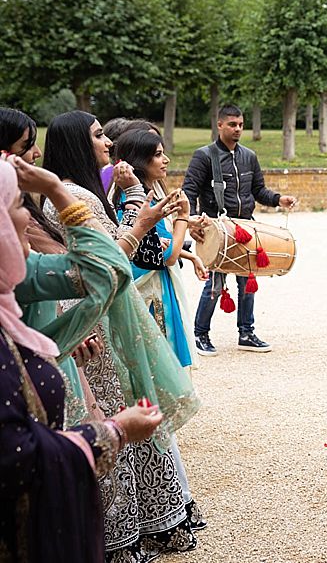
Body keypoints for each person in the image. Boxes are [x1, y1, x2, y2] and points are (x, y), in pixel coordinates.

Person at [41, 113, 207, 560]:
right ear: (78, 143)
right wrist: (140, 207)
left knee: (131, 409)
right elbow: (113, 259)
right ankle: (119, 533)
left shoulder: (80, 190)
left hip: (104, 311)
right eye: (98, 136)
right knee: (117, 411)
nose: (106, 144)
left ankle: (147, 520)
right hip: (97, 319)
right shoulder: (71, 195)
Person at [0, 154, 170, 563]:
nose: (30, 219)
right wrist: (114, 433)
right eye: (17, 205)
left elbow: (107, 274)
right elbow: (17, 456)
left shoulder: (18, 279)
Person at [183, 105, 296, 355]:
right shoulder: (204, 156)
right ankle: (200, 335)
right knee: (214, 284)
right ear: (220, 125)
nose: (238, 129)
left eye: (241, 125)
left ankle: (246, 333)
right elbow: (189, 191)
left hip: (246, 227)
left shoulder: (250, 156)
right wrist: (191, 221)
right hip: (216, 229)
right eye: (232, 125)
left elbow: (259, 191)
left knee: (247, 283)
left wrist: (279, 199)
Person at [111, 131, 205, 371]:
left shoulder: (127, 197)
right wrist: (183, 217)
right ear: (141, 160)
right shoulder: (144, 203)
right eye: (158, 155)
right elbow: (168, 255)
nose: (166, 160)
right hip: (150, 295)